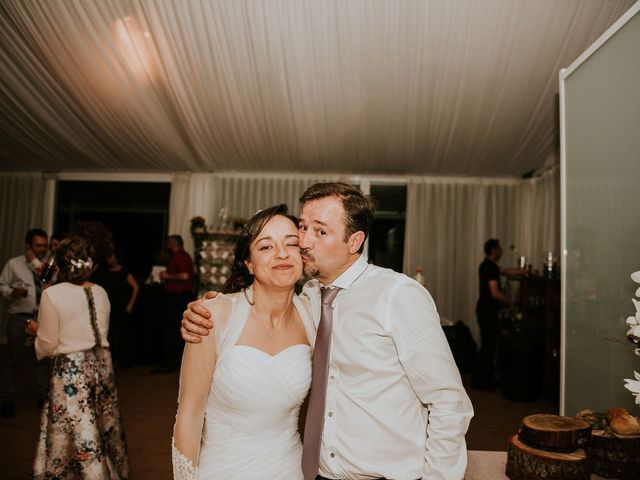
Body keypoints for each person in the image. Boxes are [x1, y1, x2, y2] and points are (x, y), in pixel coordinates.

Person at [182, 182, 474, 480]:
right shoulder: (308, 298)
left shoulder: (398, 296)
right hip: (316, 472)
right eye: (303, 228)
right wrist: (204, 310)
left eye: (320, 231)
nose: (304, 241)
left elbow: (448, 402)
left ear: (354, 241)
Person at [172, 205, 314, 479]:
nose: (282, 254)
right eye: (265, 247)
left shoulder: (314, 315)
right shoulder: (215, 315)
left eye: (291, 244)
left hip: (290, 469)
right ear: (248, 263)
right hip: (222, 469)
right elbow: (189, 414)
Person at [25, 235, 129, 479]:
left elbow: (48, 346)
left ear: (60, 263)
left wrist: (35, 330)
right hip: (104, 366)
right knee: (103, 426)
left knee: (74, 429)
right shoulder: (101, 292)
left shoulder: (53, 294)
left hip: (72, 372)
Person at [0, 228, 50, 417]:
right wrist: (11, 292)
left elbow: (49, 282)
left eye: (44, 246)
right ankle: (7, 398)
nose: (42, 249)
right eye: (38, 245)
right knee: (11, 358)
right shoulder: (13, 264)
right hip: (19, 316)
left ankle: (42, 396)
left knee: (41, 358)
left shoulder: (46, 266)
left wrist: (36, 263)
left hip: (42, 317)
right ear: (28, 246)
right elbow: (2, 285)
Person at [471, 238, 520, 391]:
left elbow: (506, 271)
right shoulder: (490, 267)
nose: (501, 251)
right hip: (487, 311)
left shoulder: (487, 265)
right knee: (488, 346)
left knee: (489, 345)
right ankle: (480, 381)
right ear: (493, 250)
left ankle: (484, 379)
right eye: (499, 248)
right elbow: (495, 292)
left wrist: (523, 271)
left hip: (485, 310)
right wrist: (510, 302)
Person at [152, 235, 194, 374]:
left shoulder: (182, 256)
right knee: (171, 330)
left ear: (173, 243)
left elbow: (185, 276)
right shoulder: (176, 256)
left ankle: (171, 363)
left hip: (178, 298)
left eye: (169, 242)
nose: (167, 245)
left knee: (172, 330)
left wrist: (167, 276)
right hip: (174, 297)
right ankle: (170, 362)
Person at [104, 249, 139, 368]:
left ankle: (125, 361)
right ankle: (112, 361)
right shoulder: (106, 272)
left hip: (122, 306)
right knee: (111, 334)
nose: (108, 259)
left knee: (123, 334)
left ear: (116, 257)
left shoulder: (124, 271)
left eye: (110, 256)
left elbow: (135, 287)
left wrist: (130, 304)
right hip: (110, 306)